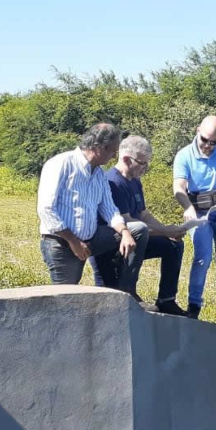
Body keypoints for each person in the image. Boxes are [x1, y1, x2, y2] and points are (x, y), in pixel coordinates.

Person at [37, 123, 148, 294]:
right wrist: (74, 241)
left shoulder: (99, 174)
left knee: (138, 229)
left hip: (91, 239)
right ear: (97, 147)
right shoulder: (61, 164)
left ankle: (126, 292)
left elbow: (110, 210)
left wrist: (125, 232)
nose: (114, 157)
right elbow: (46, 209)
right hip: (62, 242)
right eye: (112, 151)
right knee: (66, 298)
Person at [90, 135, 187, 315]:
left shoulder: (134, 180)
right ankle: (128, 290)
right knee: (107, 304)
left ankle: (167, 299)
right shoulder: (113, 182)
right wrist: (166, 230)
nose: (145, 168)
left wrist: (168, 232)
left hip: (135, 243)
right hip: (112, 247)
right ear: (127, 159)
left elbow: (143, 214)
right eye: (142, 163)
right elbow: (130, 223)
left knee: (173, 245)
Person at [173, 115, 216, 326]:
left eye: (214, 142)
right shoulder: (184, 155)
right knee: (202, 258)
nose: (208, 146)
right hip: (199, 214)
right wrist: (187, 207)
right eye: (205, 140)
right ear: (197, 131)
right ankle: (194, 307)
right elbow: (179, 187)